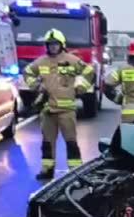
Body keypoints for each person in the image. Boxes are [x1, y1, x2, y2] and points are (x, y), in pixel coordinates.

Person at [24, 28, 94, 180]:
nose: (53, 47)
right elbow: (27, 72)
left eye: (56, 44)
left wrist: (81, 87)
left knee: (71, 141)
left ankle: (75, 170)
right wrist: (35, 85)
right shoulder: (41, 61)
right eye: (50, 44)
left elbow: (89, 72)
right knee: (47, 142)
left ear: (61, 44)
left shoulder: (72, 60)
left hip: (66, 110)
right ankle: (47, 169)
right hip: (47, 110)